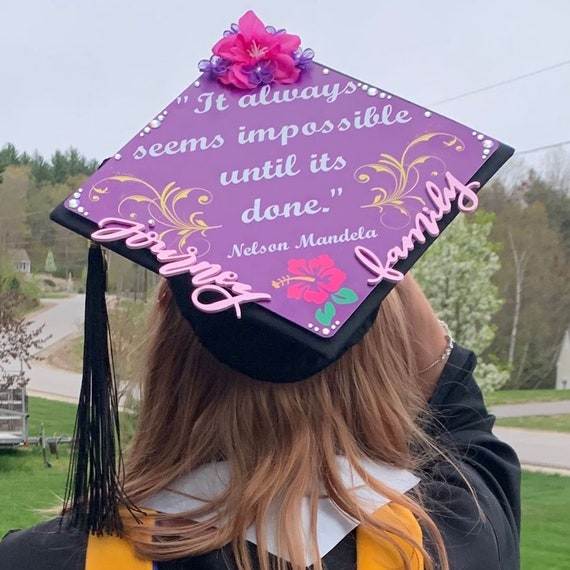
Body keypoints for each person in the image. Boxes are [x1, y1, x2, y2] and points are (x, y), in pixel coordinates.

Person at [0, 272, 521, 570]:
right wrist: (434, 344)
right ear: (388, 346)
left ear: (165, 315)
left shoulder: (41, 559)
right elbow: (471, 441)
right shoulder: (454, 541)